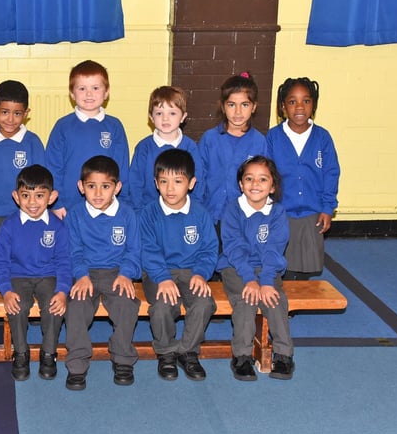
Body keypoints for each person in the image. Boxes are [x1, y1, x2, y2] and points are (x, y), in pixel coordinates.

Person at [139, 149, 217, 381]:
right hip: (157, 272)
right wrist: (162, 278)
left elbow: (209, 249)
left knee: (203, 303)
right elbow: (147, 249)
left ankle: (188, 351)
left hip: (192, 271)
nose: (170, 188)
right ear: (156, 183)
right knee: (162, 307)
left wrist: (201, 274)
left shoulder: (201, 214)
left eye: (178, 181)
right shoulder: (149, 213)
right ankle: (166, 352)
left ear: (191, 183)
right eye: (164, 181)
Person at [64, 156, 140, 390]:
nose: (98, 193)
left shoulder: (127, 214)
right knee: (76, 307)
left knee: (127, 304)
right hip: (85, 272)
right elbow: (73, 251)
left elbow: (134, 250)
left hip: (117, 272)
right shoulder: (75, 215)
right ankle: (77, 364)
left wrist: (126, 273)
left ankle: (122, 357)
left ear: (117, 187)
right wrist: (82, 274)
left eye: (105, 186)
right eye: (91, 186)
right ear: (81, 187)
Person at [217, 156, 294, 381]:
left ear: (272, 186)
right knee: (246, 300)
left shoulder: (277, 213)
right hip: (236, 268)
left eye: (262, 179)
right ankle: (241, 356)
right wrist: (250, 279)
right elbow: (234, 247)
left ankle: (283, 354)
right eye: (249, 179)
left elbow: (274, 249)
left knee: (275, 299)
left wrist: (267, 282)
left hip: (268, 268)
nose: (255, 184)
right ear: (241, 184)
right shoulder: (232, 210)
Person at [0, 165, 70, 381]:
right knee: (17, 306)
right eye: (26, 195)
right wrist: (6, 290)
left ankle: (48, 353)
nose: (32, 202)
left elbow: (64, 261)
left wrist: (63, 291)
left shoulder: (57, 226)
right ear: (16, 197)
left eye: (39, 195)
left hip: (49, 276)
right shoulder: (9, 226)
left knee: (53, 306)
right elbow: (0, 263)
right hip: (18, 276)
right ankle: (21, 353)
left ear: (52, 197)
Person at [266, 77, 340, 280]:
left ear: (313, 105)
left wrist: (327, 207)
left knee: (306, 262)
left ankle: (297, 296)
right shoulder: (273, 137)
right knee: (283, 261)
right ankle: (282, 303)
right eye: (292, 101)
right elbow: (266, 173)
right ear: (283, 107)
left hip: (312, 210)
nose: (299, 107)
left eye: (306, 101)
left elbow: (331, 172)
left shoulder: (322, 137)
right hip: (282, 210)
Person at [45, 60, 130, 219]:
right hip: (68, 208)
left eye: (95, 88)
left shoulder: (114, 126)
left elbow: (122, 166)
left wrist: (121, 201)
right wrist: (57, 204)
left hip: (107, 204)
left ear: (106, 92)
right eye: (82, 88)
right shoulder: (63, 126)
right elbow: (53, 166)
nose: (89, 94)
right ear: (72, 93)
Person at [197, 72, 267, 224]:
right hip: (210, 217)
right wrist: (196, 211)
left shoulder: (259, 142)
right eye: (231, 105)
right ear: (222, 106)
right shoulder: (209, 139)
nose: (238, 112)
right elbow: (198, 178)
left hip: (244, 219)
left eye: (245, 105)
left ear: (254, 107)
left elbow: (265, 183)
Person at [0, 80, 45, 235]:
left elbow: (41, 181)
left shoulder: (33, 142)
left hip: (25, 213)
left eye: (17, 113)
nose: (10, 119)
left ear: (26, 113)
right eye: (4, 112)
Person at [128, 86, 202, 213]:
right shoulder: (144, 147)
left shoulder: (190, 147)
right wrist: (139, 212)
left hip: (182, 212)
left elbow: (198, 182)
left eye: (172, 113)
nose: (165, 118)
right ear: (151, 117)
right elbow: (135, 183)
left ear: (183, 117)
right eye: (159, 113)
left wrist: (193, 212)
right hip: (149, 214)